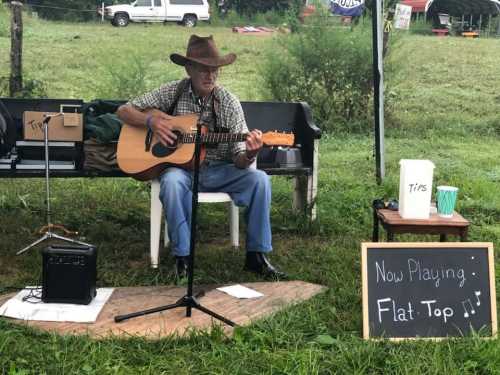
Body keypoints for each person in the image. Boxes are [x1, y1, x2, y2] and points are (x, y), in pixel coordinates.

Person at [116, 35, 285, 280]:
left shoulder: (229, 103)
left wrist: (250, 153)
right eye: (204, 69)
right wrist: (151, 121)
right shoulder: (173, 91)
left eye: (214, 70)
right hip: (181, 171)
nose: (210, 76)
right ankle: (183, 257)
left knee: (260, 180)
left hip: (220, 170)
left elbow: (239, 157)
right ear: (188, 68)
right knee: (172, 183)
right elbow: (123, 110)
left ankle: (256, 256)